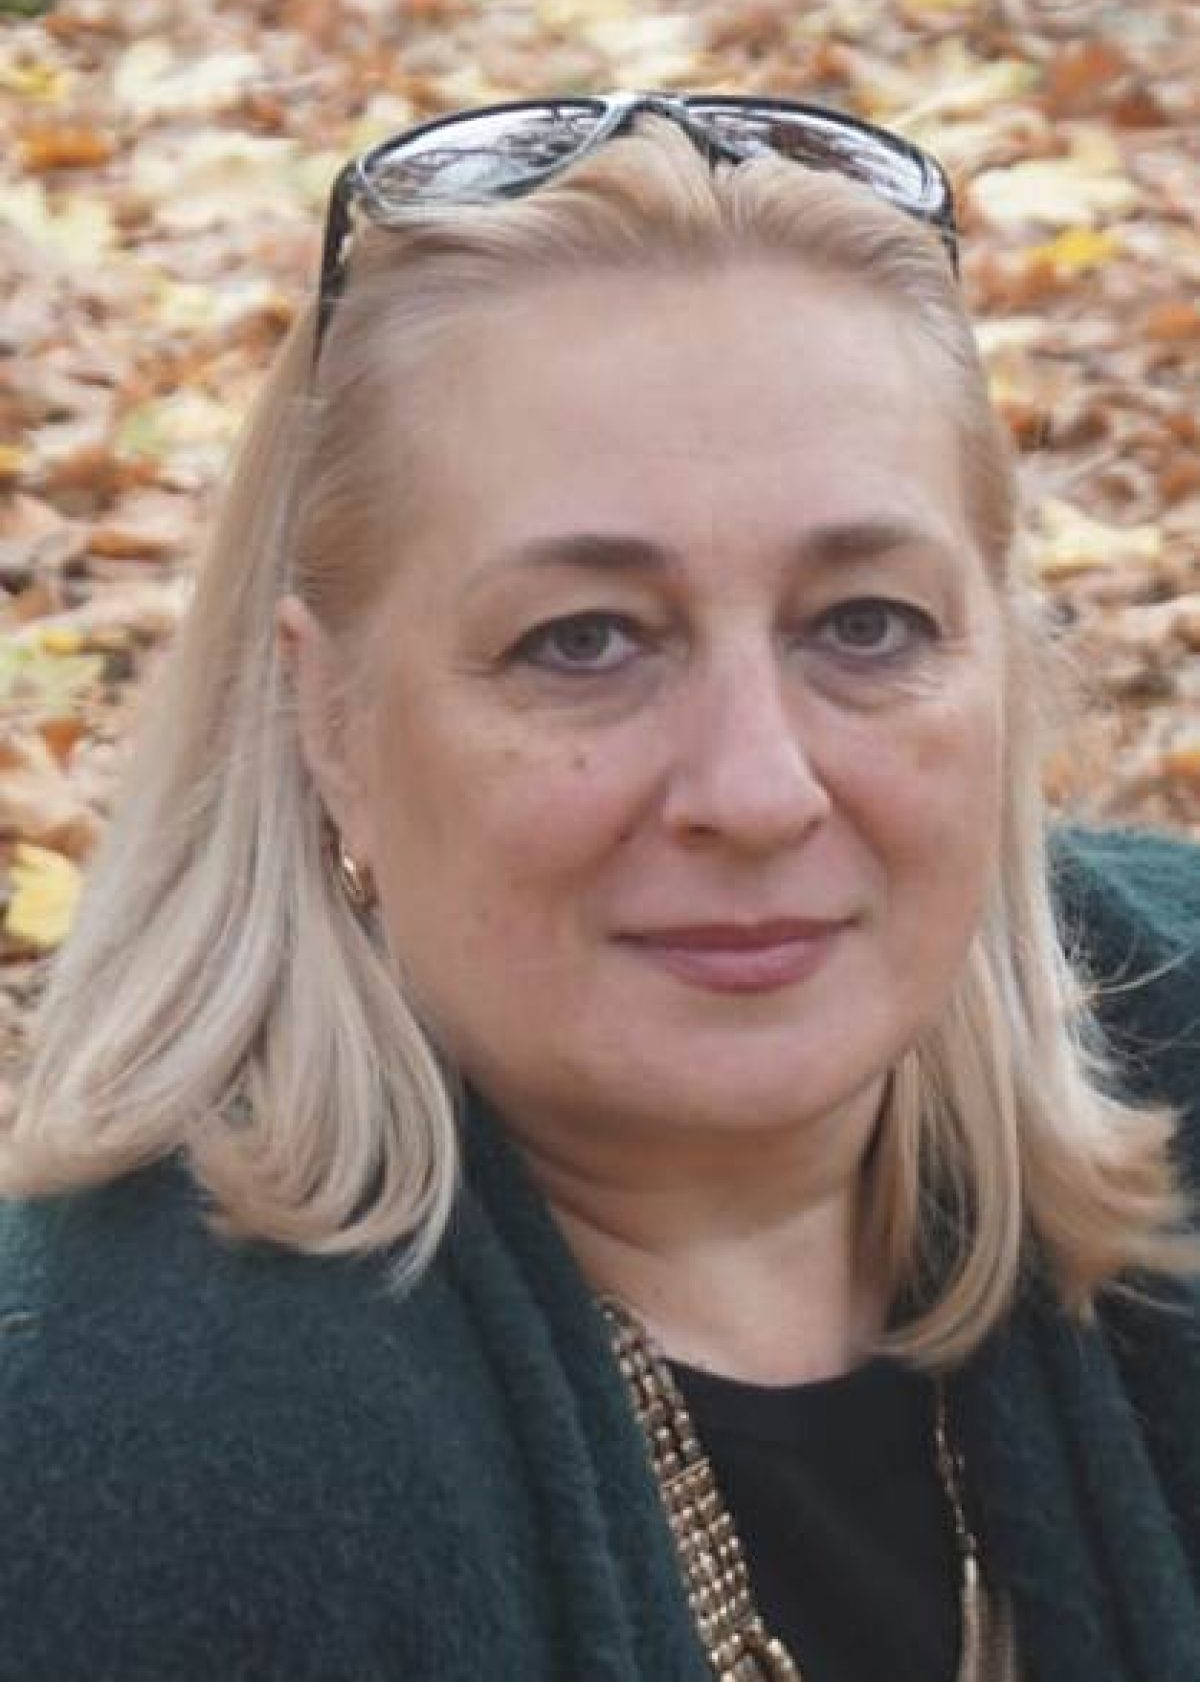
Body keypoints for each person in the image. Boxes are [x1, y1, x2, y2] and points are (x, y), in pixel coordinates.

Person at [0, 93, 1197, 1682]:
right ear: (330, 722)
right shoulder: (155, 1484)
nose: (757, 789)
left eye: (866, 623)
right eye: (583, 641)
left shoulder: (1172, 1032)